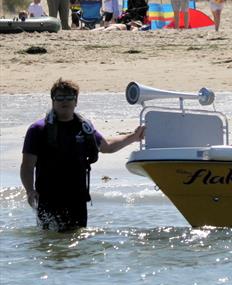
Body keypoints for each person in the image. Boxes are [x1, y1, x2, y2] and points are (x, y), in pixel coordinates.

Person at [20, 78, 144, 232]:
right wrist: (29, 190)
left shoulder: (83, 127)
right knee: (49, 241)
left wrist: (134, 136)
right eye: (59, 97)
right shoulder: (38, 129)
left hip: (76, 198)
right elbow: (27, 165)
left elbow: (107, 146)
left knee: (77, 239)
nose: (64, 101)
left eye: (69, 97)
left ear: (76, 101)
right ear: (53, 101)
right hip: (48, 197)